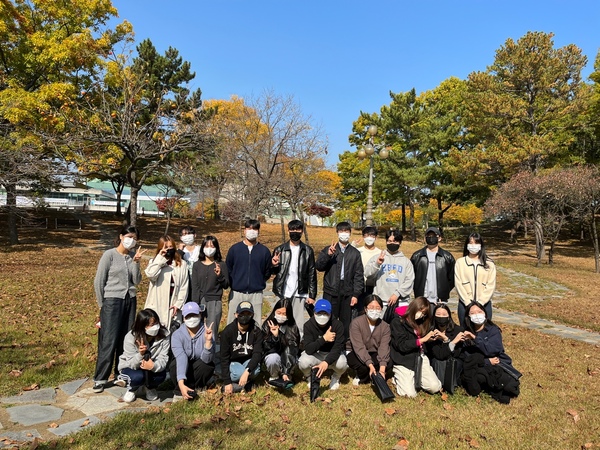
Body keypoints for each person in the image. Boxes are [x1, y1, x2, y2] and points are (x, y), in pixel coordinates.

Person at [92, 225, 145, 393]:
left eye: (135, 238)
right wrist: (102, 305)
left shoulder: (133, 256)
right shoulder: (109, 255)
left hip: (130, 300)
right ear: (121, 236)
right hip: (112, 301)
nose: (131, 240)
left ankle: (120, 373)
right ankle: (100, 378)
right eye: (129, 236)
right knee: (109, 340)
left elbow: (137, 280)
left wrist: (136, 263)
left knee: (126, 338)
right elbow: (99, 281)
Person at [460, 302, 521, 403]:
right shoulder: (465, 333)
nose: (477, 315)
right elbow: (468, 357)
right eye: (472, 313)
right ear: (468, 317)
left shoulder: (493, 330)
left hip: (497, 365)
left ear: (485, 313)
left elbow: (493, 350)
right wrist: (487, 361)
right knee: (476, 375)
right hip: (479, 365)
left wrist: (475, 338)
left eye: (479, 312)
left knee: (503, 382)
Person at [315, 222, 364, 340]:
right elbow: (319, 266)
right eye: (341, 231)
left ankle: (343, 343)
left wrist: (356, 294)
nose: (344, 234)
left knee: (345, 321)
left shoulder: (355, 253)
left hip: (347, 291)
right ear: (337, 233)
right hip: (331, 290)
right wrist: (328, 255)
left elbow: (359, 275)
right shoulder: (329, 249)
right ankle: (327, 341)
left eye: (346, 231)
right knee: (328, 318)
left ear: (350, 233)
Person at [271, 219, 317, 338]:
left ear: (302, 231)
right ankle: (279, 343)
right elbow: (273, 272)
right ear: (288, 231)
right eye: (292, 229)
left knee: (298, 323)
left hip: (299, 292)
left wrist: (312, 295)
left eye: (298, 229)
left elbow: (312, 273)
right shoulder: (280, 250)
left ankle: (296, 345)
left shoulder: (308, 251)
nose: (295, 232)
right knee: (280, 320)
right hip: (283, 291)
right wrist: (274, 264)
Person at [390, 296, 442, 398]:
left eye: (424, 313)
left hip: (419, 356)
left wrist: (430, 339)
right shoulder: (398, 321)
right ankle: (397, 379)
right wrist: (422, 340)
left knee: (435, 387)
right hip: (403, 359)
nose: (421, 314)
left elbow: (423, 341)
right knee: (409, 394)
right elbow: (401, 345)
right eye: (420, 310)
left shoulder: (422, 321)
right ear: (413, 307)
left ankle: (416, 379)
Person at [115, 308, 170, 403]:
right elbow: (131, 363)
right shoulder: (130, 337)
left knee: (161, 375)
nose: (156, 327)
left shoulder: (164, 335)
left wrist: (153, 366)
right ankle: (132, 388)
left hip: (152, 365)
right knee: (138, 377)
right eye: (152, 325)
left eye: (157, 323)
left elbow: (163, 357)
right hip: (132, 367)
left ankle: (149, 387)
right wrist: (140, 354)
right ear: (142, 326)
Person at [225, 219, 272, 327]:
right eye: (249, 228)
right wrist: (235, 282)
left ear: (258, 231)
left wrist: (258, 281)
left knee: (256, 324)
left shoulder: (264, 251)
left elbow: (267, 271)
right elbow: (228, 268)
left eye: (255, 229)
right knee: (232, 323)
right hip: (237, 293)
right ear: (244, 230)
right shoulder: (235, 249)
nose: (252, 231)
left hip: (256, 293)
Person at [298, 299, 348, 391]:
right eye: (319, 313)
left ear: (330, 314)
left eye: (325, 313)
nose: (322, 316)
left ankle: (336, 377)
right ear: (314, 313)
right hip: (316, 354)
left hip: (332, 354)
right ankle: (309, 377)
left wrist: (326, 362)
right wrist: (324, 339)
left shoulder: (338, 325)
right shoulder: (308, 325)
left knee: (342, 363)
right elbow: (308, 349)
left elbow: (337, 348)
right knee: (303, 362)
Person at [169, 302, 215, 401]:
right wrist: (181, 383)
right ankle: (180, 390)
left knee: (207, 366)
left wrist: (208, 341)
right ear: (184, 318)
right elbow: (181, 357)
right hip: (183, 366)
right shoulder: (177, 335)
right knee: (174, 365)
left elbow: (207, 359)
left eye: (194, 315)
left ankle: (198, 387)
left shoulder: (208, 332)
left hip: (198, 365)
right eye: (188, 316)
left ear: (200, 315)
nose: (192, 318)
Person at [364, 229, 414, 316]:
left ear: (400, 243)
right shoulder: (377, 257)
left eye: (395, 241)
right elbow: (367, 274)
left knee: (399, 324)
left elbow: (409, 281)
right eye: (389, 241)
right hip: (381, 302)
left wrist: (397, 294)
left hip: (400, 302)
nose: (392, 243)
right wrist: (377, 264)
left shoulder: (406, 262)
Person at [144, 235, 189, 329]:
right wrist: (160, 259)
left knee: (173, 332)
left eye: (170, 247)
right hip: (157, 303)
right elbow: (151, 275)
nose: (168, 249)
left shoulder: (182, 264)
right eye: (165, 247)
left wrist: (178, 304)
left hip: (173, 305)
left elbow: (184, 286)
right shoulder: (154, 262)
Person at [346, 294, 391, 386]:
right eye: (371, 307)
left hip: (374, 351)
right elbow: (359, 347)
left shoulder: (385, 326)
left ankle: (377, 374)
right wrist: (370, 365)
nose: (374, 311)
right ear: (365, 309)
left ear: (381, 309)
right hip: (356, 351)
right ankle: (362, 376)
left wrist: (382, 369)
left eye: (377, 308)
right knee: (363, 367)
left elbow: (384, 347)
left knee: (388, 362)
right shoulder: (356, 323)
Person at [220, 301, 264, 394]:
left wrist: (247, 371)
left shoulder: (257, 331)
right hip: (233, 362)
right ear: (236, 315)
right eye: (242, 314)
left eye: (248, 314)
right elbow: (224, 357)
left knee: (256, 370)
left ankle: (239, 385)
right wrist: (227, 382)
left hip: (248, 360)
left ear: (252, 315)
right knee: (238, 373)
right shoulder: (227, 332)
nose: (245, 316)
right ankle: (245, 385)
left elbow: (257, 354)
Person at [191, 235, 229, 339]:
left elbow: (226, 285)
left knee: (211, 331)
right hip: (199, 300)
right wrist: (195, 304)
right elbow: (195, 286)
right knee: (197, 330)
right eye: (207, 246)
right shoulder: (197, 265)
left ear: (216, 248)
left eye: (212, 246)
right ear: (202, 248)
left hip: (214, 301)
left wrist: (219, 275)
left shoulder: (221, 265)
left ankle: (211, 349)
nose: (209, 248)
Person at [454, 232, 496, 326]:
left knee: (485, 331)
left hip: (484, 304)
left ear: (481, 245)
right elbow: (458, 284)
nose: (473, 245)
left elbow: (491, 285)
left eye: (476, 243)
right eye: (471, 243)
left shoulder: (489, 264)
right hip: (465, 304)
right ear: (467, 245)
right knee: (466, 331)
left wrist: (481, 302)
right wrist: (468, 303)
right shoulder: (460, 263)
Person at [410, 227, 455, 310]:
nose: (431, 238)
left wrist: (444, 291)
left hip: (440, 300)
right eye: (429, 236)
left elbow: (452, 278)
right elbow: (411, 277)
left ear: (440, 238)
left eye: (434, 236)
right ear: (425, 238)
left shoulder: (447, 257)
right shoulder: (416, 256)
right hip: (421, 300)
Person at [426, 303, 467, 393]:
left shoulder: (458, 330)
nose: (441, 317)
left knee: (452, 361)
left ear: (449, 316)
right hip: (437, 362)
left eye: (444, 314)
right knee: (438, 361)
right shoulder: (431, 332)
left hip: (454, 361)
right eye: (438, 314)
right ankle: (440, 385)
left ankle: (451, 384)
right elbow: (439, 355)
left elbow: (456, 353)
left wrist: (446, 339)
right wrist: (450, 341)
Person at [262, 298, 300, 388]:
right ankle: (274, 375)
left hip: (288, 357)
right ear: (274, 311)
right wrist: (275, 337)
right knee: (272, 358)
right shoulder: (267, 324)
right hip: (274, 355)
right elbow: (265, 348)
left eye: (284, 314)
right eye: (279, 313)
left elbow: (291, 349)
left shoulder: (292, 327)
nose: (281, 316)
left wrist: (285, 371)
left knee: (295, 357)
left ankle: (288, 374)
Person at [354, 226, 382, 316]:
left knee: (373, 312)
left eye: (372, 236)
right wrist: (352, 246)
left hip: (374, 287)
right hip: (360, 286)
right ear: (363, 237)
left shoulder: (380, 253)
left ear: (376, 237)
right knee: (359, 312)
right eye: (367, 235)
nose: (369, 238)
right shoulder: (358, 251)